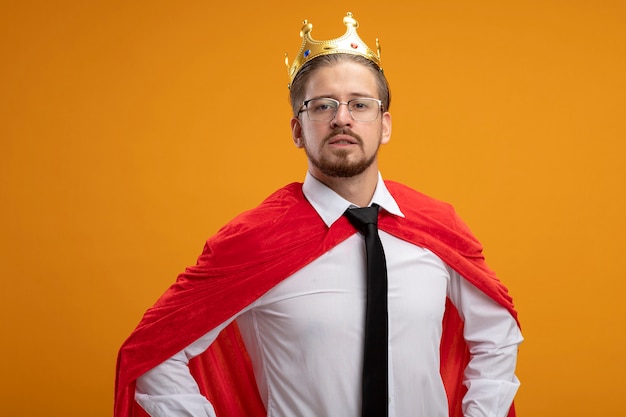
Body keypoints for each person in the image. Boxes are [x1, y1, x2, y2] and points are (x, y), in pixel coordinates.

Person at [115, 12, 523, 417]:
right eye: (323, 105)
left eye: (359, 104)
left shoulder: (438, 227)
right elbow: (153, 354)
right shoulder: (255, 240)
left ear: (384, 126)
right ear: (297, 129)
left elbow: (497, 334)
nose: (341, 117)